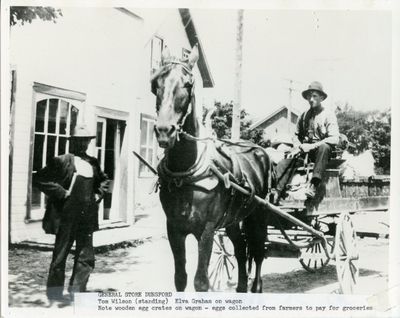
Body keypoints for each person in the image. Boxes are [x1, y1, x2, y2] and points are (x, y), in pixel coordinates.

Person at [33, 125, 108, 305]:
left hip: (87, 216)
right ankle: (54, 295)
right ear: (72, 142)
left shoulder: (93, 162)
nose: (82, 144)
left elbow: (103, 180)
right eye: (78, 141)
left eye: (85, 141)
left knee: (85, 256)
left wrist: (99, 193)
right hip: (66, 215)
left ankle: (77, 292)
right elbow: (40, 179)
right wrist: (61, 192)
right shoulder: (61, 161)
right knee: (60, 256)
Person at [275, 81, 339, 200]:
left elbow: (335, 138)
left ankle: (314, 185)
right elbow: (296, 136)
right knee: (284, 162)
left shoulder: (328, 115)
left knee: (324, 147)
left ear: (321, 98)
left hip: (322, 154)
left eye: (314, 96)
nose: (311, 99)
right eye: (309, 96)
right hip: (305, 152)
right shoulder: (303, 116)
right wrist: (298, 146)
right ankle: (277, 191)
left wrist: (312, 146)